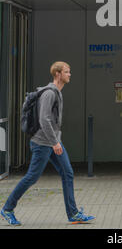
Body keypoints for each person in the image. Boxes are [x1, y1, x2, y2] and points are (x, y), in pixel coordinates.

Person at [1, 61, 95, 226]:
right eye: (67, 71)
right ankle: (7, 208)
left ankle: (73, 214)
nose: (69, 74)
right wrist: (54, 142)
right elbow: (44, 119)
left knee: (67, 173)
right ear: (58, 74)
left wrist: (55, 141)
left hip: (53, 142)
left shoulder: (57, 92)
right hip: (43, 143)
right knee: (32, 177)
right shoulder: (50, 93)